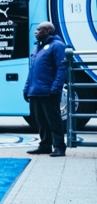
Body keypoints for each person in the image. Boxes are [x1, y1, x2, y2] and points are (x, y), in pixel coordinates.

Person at [23, 21, 68, 157]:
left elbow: (62, 68)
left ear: (47, 31)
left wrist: (56, 87)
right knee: (41, 121)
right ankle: (45, 145)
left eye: (39, 30)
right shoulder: (37, 48)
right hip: (35, 91)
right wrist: (27, 88)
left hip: (49, 91)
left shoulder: (57, 46)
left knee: (53, 120)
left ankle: (59, 147)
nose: (36, 32)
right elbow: (32, 71)